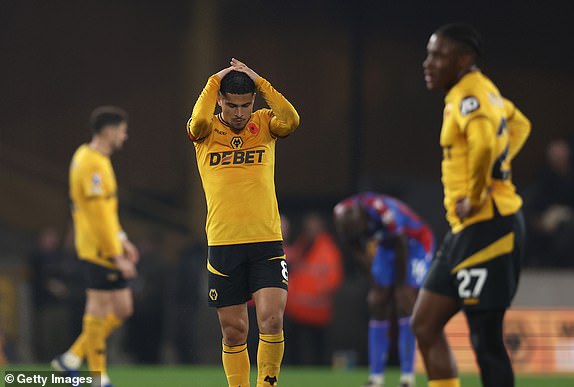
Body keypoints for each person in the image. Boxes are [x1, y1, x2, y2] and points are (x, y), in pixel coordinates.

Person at [412, 23, 531, 387]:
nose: (428, 63)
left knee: (486, 341)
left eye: (438, 55)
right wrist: (501, 164)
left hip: (489, 227)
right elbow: (520, 125)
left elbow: (481, 145)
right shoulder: (480, 91)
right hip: (465, 231)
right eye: (430, 53)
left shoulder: (470, 97)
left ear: (463, 59)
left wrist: (479, 192)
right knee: (425, 323)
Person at [187, 58, 300, 387]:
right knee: (234, 330)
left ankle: (268, 384)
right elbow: (196, 120)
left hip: (266, 240)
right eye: (233, 105)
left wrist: (261, 83)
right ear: (221, 100)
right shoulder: (206, 131)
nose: (240, 113)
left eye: (246, 105)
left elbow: (291, 119)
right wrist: (213, 80)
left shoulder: (264, 123)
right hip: (223, 243)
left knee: (272, 319)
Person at [51, 106, 140, 387]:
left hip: (105, 245)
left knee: (121, 309)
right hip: (98, 249)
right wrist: (116, 254)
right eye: (123, 131)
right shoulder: (91, 163)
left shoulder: (92, 158)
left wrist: (123, 239)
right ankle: (97, 377)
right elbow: (96, 216)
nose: (125, 137)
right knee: (100, 308)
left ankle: (72, 359)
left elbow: (107, 211)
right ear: (109, 131)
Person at [334, 192, 435, 387]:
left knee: (404, 302)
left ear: (362, 218)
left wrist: (400, 286)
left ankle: (407, 377)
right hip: (387, 246)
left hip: (414, 243)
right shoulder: (344, 220)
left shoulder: (383, 212)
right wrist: (376, 284)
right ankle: (376, 378)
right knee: (377, 303)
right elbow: (355, 249)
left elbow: (401, 245)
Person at [284, 212, 344, 366]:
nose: (310, 230)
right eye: (308, 227)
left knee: (319, 351)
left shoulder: (328, 250)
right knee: (294, 351)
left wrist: (317, 293)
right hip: (296, 311)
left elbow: (333, 279)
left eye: (313, 227)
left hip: (319, 312)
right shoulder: (301, 246)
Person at [524, 139, 574, 267]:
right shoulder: (545, 175)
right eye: (555, 158)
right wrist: (538, 217)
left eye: (561, 157)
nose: (558, 161)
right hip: (548, 215)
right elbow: (537, 199)